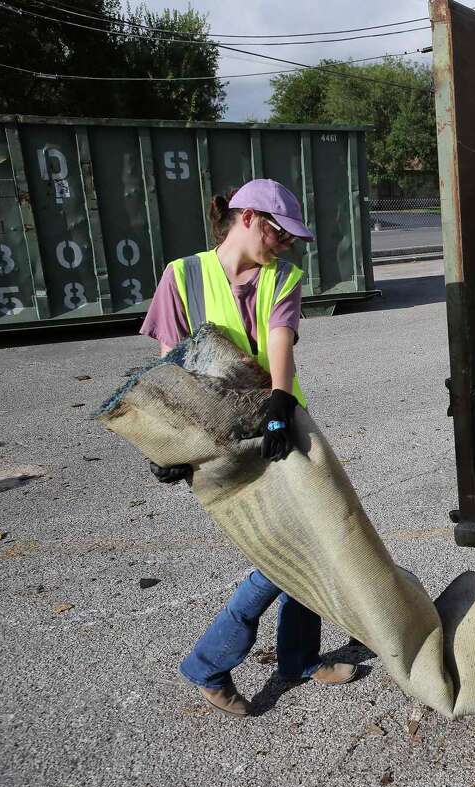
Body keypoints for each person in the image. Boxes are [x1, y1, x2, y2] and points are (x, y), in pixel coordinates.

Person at [140, 178, 358, 717]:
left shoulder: (283, 277)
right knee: (282, 552)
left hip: (280, 427)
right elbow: (172, 366)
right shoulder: (182, 276)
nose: (286, 246)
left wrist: (281, 404)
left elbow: (279, 341)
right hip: (217, 439)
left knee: (305, 539)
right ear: (249, 219)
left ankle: (297, 658)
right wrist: (169, 444)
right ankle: (210, 663)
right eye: (280, 235)